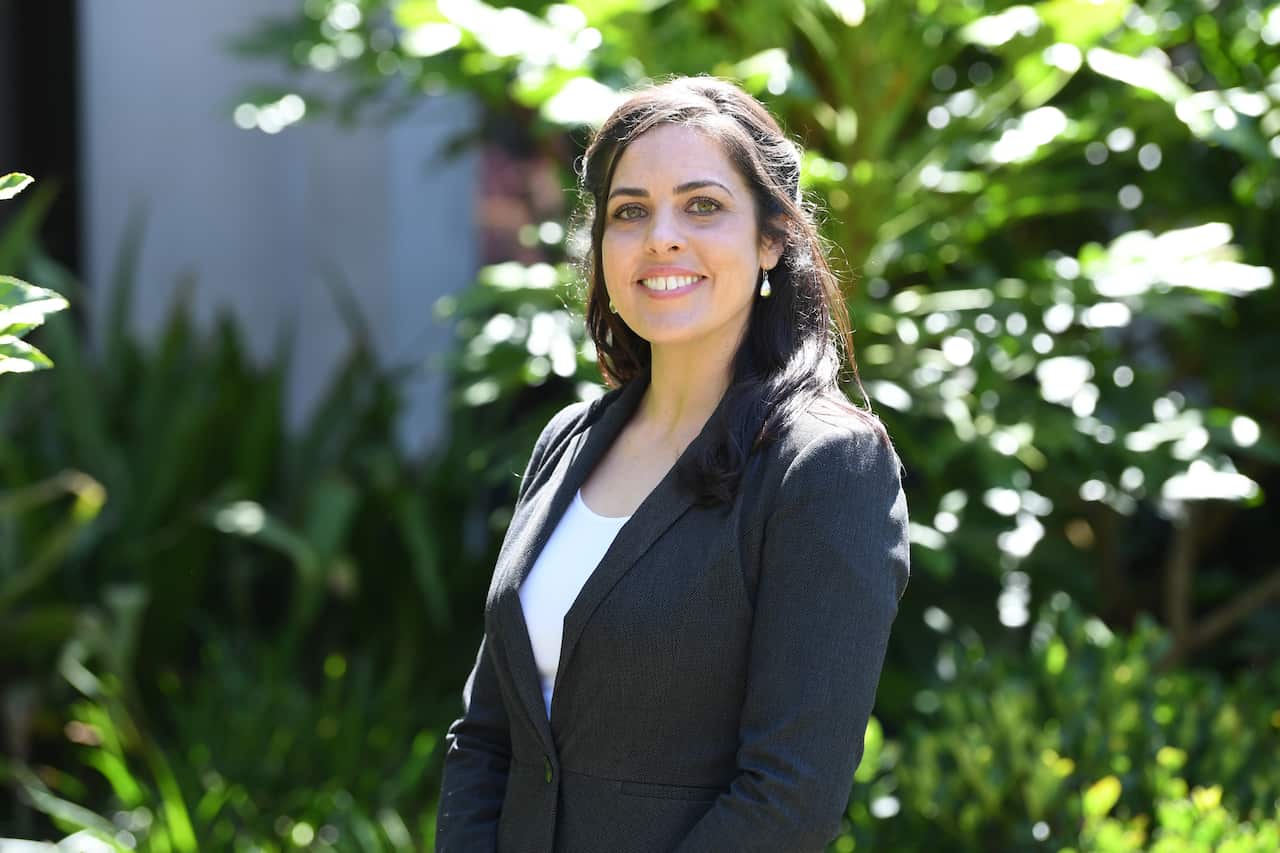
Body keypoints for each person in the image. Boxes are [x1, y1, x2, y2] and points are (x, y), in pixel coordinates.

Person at [436, 75, 910, 853]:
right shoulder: (567, 440)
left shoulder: (826, 466)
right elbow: (487, 736)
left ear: (771, 238)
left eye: (703, 205)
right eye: (630, 211)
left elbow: (789, 799)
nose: (661, 237)